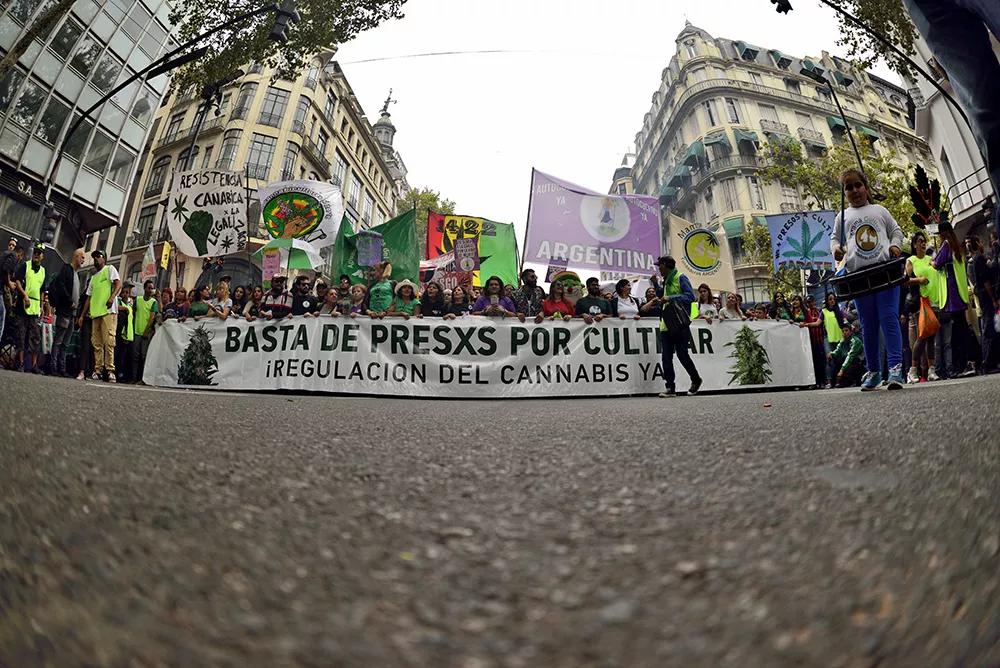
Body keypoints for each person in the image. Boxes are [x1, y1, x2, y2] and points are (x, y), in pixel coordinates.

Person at [831, 168, 906, 390]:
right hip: (859, 278)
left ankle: (895, 370)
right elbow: (834, 239)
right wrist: (836, 249)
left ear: (866, 187)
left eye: (858, 185)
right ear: (844, 192)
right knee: (868, 325)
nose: (854, 190)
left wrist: (895, 246)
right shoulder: (841, 217)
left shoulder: (880, 210)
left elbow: (896, 232)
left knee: (889, 318)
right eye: (849, 187)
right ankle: (873, 372)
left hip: (885, 273)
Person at [652, 255, 702, 397]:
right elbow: (662, 295)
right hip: (666, 325)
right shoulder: (665, 280)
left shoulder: (680, 277)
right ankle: (670, 388)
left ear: (667, 265)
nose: (658, 268)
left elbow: (690, 297)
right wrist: (656, 285)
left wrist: (671, 298)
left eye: (660, 265)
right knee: (666, 358)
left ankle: (696, 379)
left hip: (680, 324)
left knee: (682, 355)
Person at [931, 221, 971, 379]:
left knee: (954, 332)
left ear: (942, 234)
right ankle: (968, 362)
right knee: (963, 329)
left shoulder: (946, 245)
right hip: (960, 294)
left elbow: (936, 263)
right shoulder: (957, 246)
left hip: (951, 293)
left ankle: (960, 365)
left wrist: (931, 262)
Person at [905, 231, 940, 382]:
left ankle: (932, 370)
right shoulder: (911, 260)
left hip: (934, 300)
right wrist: (919, 279)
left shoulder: (929, 259)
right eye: (920, 241)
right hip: (920, 302)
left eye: (924, 241)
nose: (923, 243)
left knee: (931, 336)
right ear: (914, 244)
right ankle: (913, 370)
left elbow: (937, 269)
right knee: (922, 336)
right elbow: (906, 280)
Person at [48, 247, 84, 377]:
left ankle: (61, 368)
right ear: (76, 257)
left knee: (65, 343)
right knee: (59, 340)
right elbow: (61, 285)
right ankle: (53, 367)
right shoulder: (67, 269)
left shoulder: (76, 274)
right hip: (65, 311)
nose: (83, 260)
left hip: (72, 314)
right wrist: (69, 302)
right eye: (82, 257)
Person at [966, 235, 999, 372]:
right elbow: (985, 281)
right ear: (977, 243)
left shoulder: (976, 260)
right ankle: (988, 363)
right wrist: (993, 299)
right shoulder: (979, 259)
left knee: (988, 328)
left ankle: (988, 362)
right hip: (986, 298)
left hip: (982, 297)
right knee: (989, 329)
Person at [12, 243, 46, 373]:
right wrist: (24, 295)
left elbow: (43, 289)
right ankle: (20, 363)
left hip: (35, 307)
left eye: (39, 253)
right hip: (23, 305)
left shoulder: (43, 271)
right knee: (21, 335)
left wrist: (42, 306)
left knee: (35, 337)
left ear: (42, 256)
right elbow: (18, 281)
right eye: (36, 252)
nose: (37, 254)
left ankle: (34, 365)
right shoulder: (25, 266)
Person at [133, 279, 159, 382]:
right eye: (149, 288)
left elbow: (152, 318)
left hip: (146, 334)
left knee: (144, 356)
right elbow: (133, 313)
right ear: (144, 288)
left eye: (152, 288)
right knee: (135, 357)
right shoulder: (138, 299)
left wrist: (146, 331)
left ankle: (142, 378)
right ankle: (134, 377)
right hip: (136, 332)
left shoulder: (154, 302)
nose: (151, 290)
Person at [821, 293, 848, 386]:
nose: (832, 301)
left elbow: (845, 322)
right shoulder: (823, 311)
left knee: (840, 360)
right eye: (830, 299)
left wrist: (849, 325)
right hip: (828, 339)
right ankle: (828, 381)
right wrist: (806, 324)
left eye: (833, 299)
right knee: (829, 358)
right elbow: (817, 323)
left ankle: (839, 381)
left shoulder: (839, 311)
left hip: (839, 338)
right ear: (827, 301)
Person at [800, 295, 826, 388]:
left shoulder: (820, 311)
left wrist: (807, 324)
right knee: (812, 362)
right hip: (810, 342)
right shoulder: (805, 312)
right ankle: (815, 382)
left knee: (821, 362)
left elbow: (818, 323)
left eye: (811, 301)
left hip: (819, 340)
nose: (810, 304)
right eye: (808, 302)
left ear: (814, 302)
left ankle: (823, 382)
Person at [829, 323, 865, 387]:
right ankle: (833, 381)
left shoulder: (856, 341)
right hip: (846, 363)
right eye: (843, 331)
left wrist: (842, 370)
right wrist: (831, 354)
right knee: (834, 359)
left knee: (853, 361)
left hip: (857, 364)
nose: (844, 333)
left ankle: (851, 381)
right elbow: (837, 351)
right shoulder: (842, 341)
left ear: (851, 332)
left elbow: (850, 356)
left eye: (846, 330)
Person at [114, 282, 135, 383]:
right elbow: (115, 307)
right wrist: (125, 308)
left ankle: (123, 374)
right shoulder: (119, 301)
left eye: (128, 292)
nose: (127, 294)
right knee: (118, 354)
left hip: (128, 334)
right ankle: (117, 373)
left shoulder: (131, 304)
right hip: (120, 332)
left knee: (125, 356)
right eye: (125, 292)